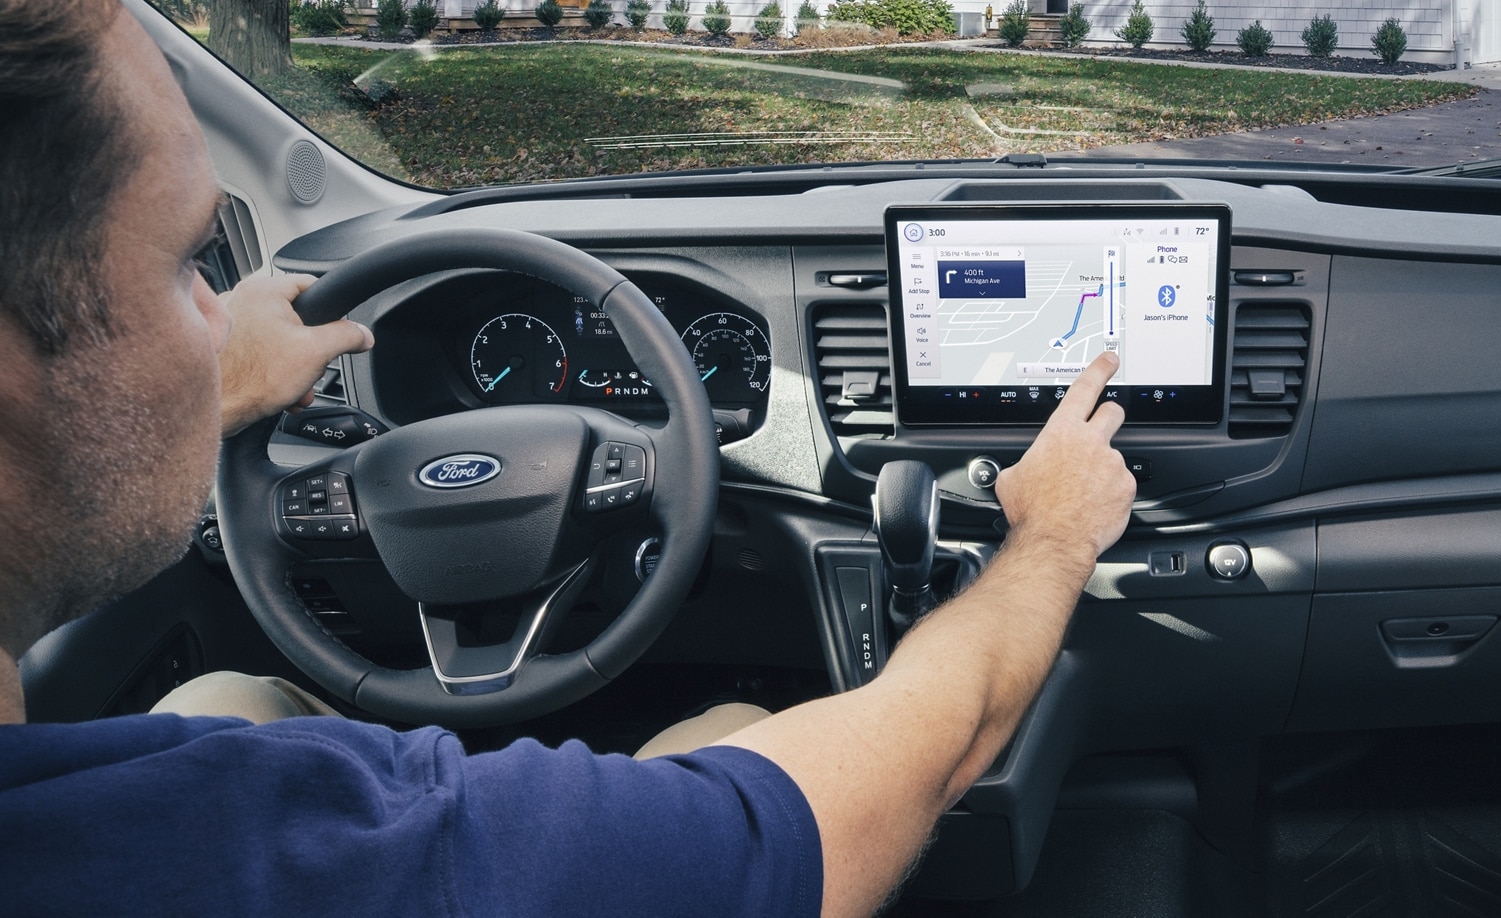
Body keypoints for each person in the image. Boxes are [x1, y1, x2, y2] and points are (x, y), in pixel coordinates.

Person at [0, 3, 1138, 916]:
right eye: (188, 268)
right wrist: (1050, 537)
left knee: (227, 700)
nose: (221, 318)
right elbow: (873, 794)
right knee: (734, 728)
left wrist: (209, 394)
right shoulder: (353, 859)